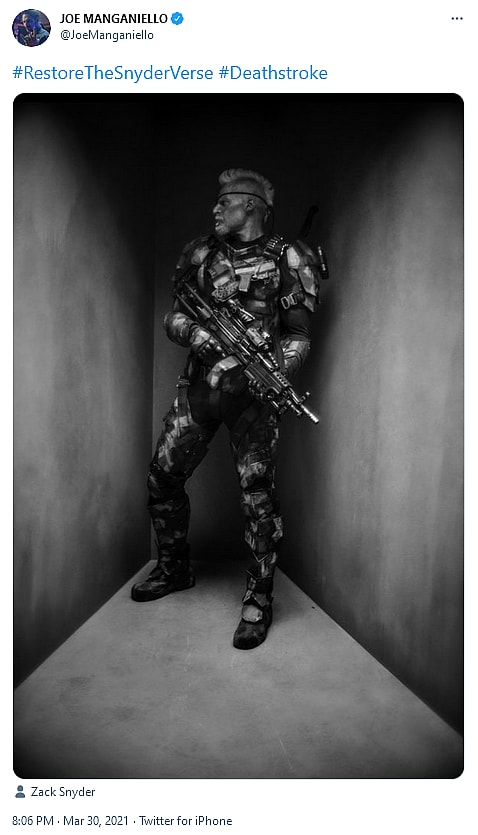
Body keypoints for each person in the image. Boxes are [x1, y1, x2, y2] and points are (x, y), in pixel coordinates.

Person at [131, 169, 321, 649]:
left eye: (225, 202)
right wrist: (196, 334)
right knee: (162, 477)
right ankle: (174, 568)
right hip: (201, 387)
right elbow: (174, 314)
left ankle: (259, 598)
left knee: (258, 499)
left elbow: (299, 335)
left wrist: (273, 370)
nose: (215, 209)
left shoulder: (289, 257)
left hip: (253, 398)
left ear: (251, 206)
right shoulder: (201, 253)